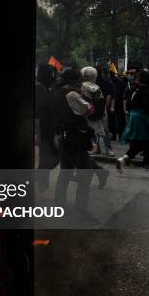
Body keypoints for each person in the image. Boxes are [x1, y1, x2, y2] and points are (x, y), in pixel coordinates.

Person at [52, 69, 95, 212]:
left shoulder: (57, 93)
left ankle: (59, 203)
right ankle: (81, 207)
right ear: (74, 81)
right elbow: (87, 110)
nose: (80, 82)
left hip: (63, 136)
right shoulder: (72, 94)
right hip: (75, 138)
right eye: (79, 80)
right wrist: (89, 103)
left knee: (65, 172)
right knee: (86, 173)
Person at [117, 70, 149, 173]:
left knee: (140, 142)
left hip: (134, 117)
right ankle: (147, 164)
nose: (134, 78)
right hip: (145, 118)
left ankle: (124, 158)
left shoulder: (135, 89)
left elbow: (129, 104)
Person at [35, 64, 58, 191]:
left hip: (47, 130)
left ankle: (42, 185)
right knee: (49, 158)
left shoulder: (44, 88)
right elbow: (37, 114)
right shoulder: (39, 88)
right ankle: (38, 182)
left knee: (47, 158)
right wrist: (38, 134)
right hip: (43, 130)